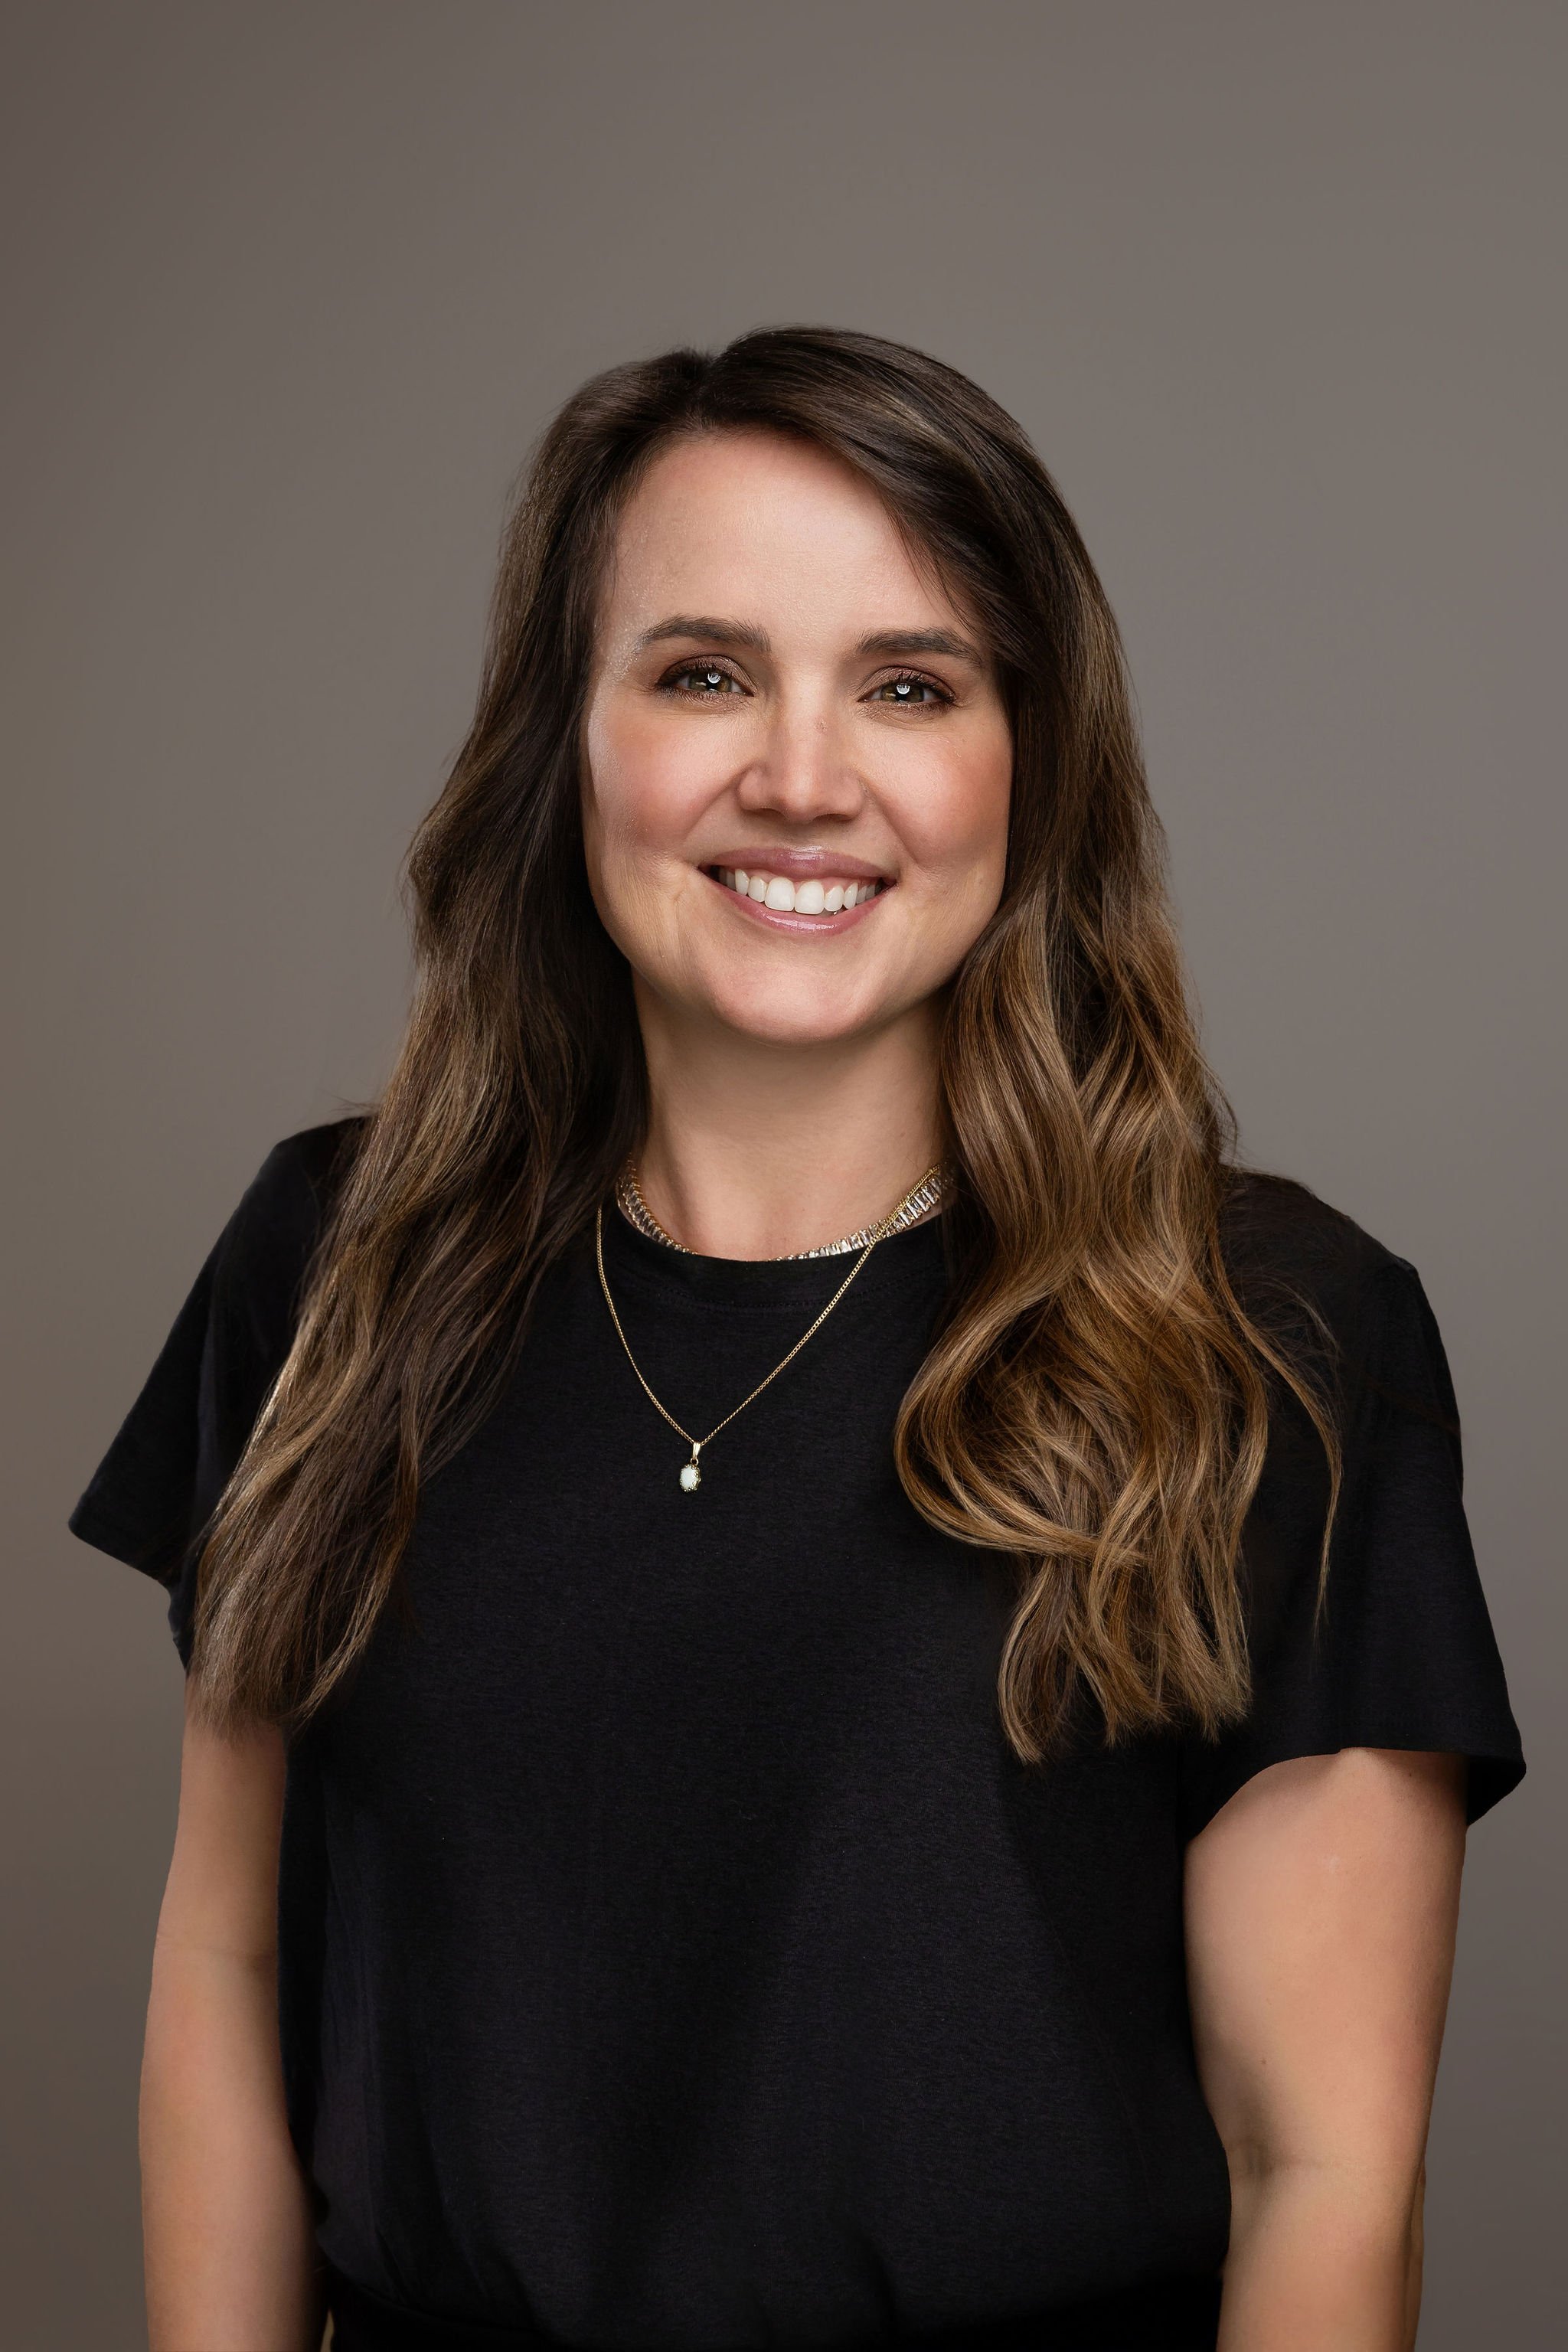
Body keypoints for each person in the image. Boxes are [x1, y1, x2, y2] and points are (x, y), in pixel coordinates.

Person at [70, 327, 1523, 2352]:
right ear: (564, 737)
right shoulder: (332, 1266)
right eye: (703, 672)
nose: (804, 779)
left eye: (910, 685)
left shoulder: (1271, 1337)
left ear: (1030, 761)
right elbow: (225, 1992)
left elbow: (1326, 2174)